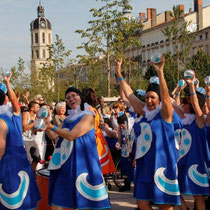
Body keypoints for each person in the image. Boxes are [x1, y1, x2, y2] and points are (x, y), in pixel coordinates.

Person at [116, 57, 180, 210]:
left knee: (164, 204)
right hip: (145, 164)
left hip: (162, 164)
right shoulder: (144, 113)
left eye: (153, 97)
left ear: (159, 100)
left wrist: (160, 72)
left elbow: (165, 97)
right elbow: (130, 94)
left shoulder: (165, 114)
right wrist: (118, 72)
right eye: (147, 97)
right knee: (142, 202)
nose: (149, 100)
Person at [45, 86, 111, 210]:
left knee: (84, 204)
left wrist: (50, 126)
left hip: (84, 165)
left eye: (74, 95)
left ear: (80, 97)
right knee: (57, 204)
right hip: (66, 165)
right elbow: (54, 136)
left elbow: (71, 135)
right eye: (68, 97)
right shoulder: (68, 120)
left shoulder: (88, 116)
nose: (71, 99)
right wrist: (46, 124)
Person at [0, 72, 40, 209]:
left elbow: (1, 148)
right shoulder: (15, 113)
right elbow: (14, 101)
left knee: (11, 197)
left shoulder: (7, 116)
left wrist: (7, 83)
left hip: (7, 161)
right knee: (23, 199)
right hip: (20, 158)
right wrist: (7, 82)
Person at [175, 76, 210, 210]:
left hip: (196, 163)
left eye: (186, 103)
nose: (182, 106)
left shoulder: (200, 121)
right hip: (183, 161)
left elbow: (196, 105)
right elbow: (172, 102)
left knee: (198, 196)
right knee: (173, 189)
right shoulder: (185, 119)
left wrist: (192, 86)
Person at [22, 100, 40, 171]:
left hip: (32, 139)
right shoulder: (25, 114)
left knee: (37, 158)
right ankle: (27, 175)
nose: (39, 109)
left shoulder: (36, 116)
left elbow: (35, 130)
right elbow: (24, 128)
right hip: (24, 139)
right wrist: (35, 123)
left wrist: (39, 128)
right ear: (32, 108)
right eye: (37, 107)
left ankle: (32, 174)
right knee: (28, 161)